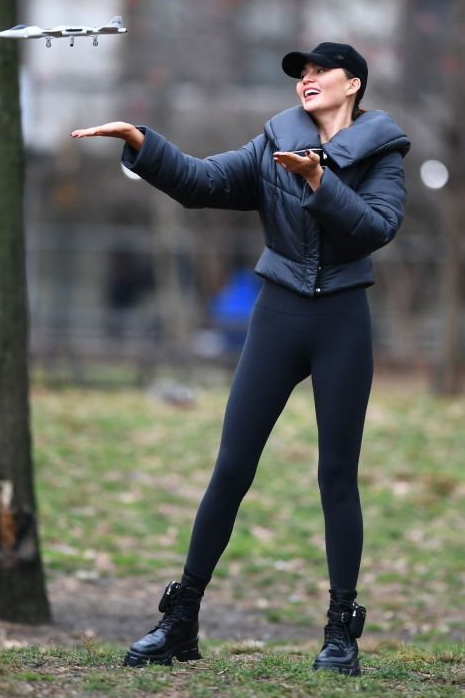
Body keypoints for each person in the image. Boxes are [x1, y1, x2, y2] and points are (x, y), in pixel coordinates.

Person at [71, 41, 411, 677]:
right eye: (300, 74)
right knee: (230, 469)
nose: (307, 81)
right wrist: (143, 143)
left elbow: (376, 227)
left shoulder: (384, 151)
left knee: (337, 477)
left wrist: (318, 179)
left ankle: (341, 633)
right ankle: (181, 620)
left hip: (342, 318)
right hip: (278, 315)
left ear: (354, 84)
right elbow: (203, 183)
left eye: (319, 72)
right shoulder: (273, 140)